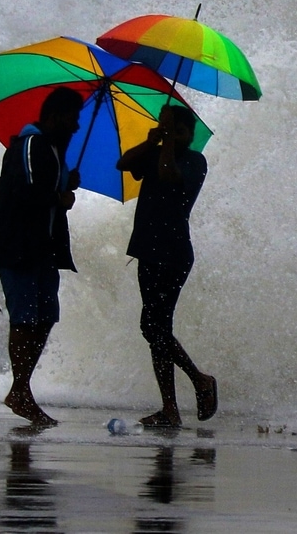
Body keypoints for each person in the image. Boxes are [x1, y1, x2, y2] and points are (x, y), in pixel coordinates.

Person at [117, 104, 216, 427]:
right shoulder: (156, 150)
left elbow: (168, 174)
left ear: (189, 135)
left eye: (179, 130)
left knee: (154, 327)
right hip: (147, 250)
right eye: (170, 128)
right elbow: (124, 163)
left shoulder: (195, 161)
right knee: (155, 329)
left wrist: (168, 143)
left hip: (173, 254)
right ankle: (170, 407)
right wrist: (153, 140)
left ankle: (200, 380)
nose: (174, 135)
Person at [0, 87, 82, 426]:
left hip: (44, 248)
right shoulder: (30, 144)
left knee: (45, 317)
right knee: (26, 318)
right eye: (73, 118)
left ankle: (21, 389)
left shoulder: (54, 150)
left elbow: (47, 188)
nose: (76, 126)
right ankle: (20, 391)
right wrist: (59, 197)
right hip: (18, 246)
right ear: (56, 116)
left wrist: (67, 180)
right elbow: (29, 191)